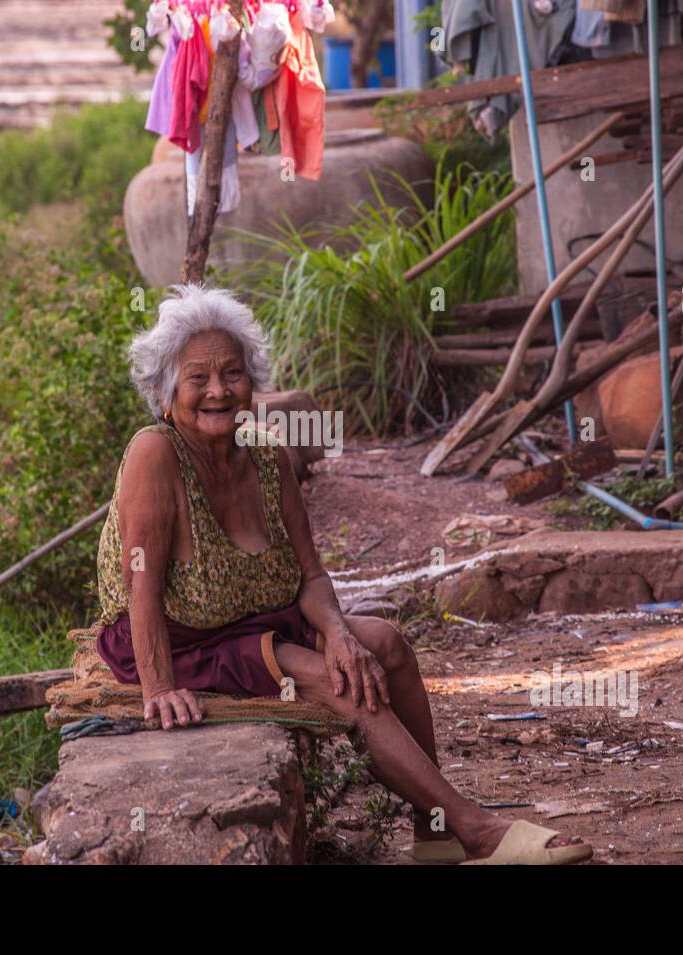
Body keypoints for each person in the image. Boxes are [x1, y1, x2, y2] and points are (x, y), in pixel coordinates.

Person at [92, 284, 591, 865]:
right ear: (166, 391)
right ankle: (475, 829)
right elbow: (140, 585)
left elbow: (310, 577)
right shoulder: (156, 453)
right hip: (182, 640)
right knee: (341, 684)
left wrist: (338, 634)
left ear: (253, 381)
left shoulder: (267, 454)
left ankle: (433, 834)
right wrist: (158, 688)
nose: (218, 391)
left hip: (257, 623)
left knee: (384, 644)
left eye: (232, 373)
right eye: (197, 378)